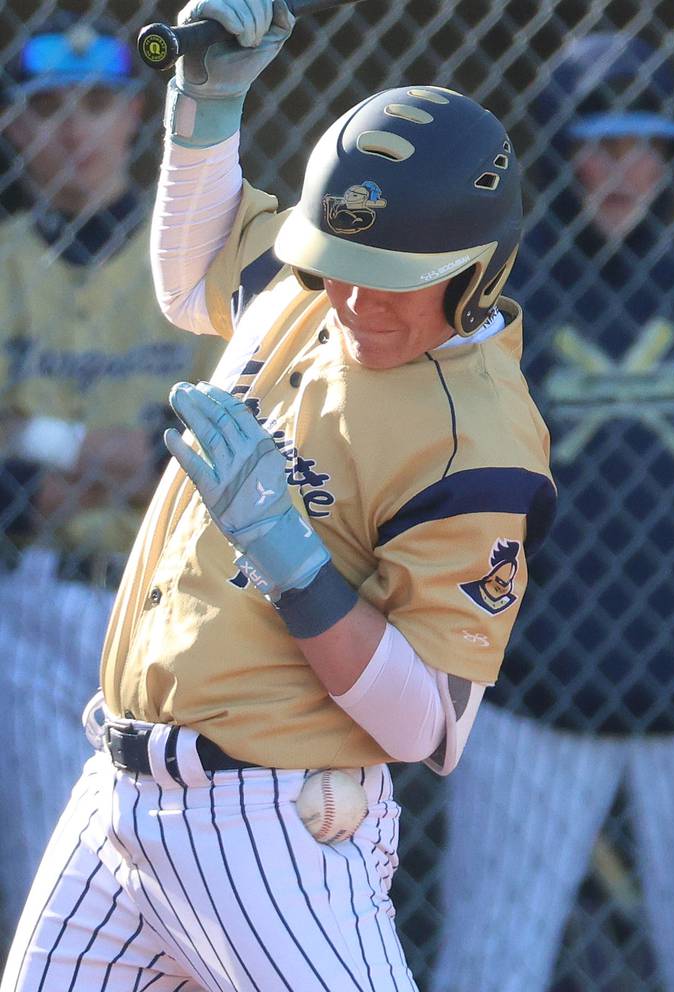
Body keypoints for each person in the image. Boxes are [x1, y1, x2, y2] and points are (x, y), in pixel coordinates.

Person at [0, 0, 556, 989]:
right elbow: (190, 281)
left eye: (388, 277)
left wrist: (287, 554)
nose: (353, 300)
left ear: (478, 268)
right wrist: (203, 113)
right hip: (113, 799)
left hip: (269, 825)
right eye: (340, 266)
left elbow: (422, 723)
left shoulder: (481, 439)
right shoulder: (314, 280)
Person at [432, 31, 674, 992]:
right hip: (533, 703)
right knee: (490, 966)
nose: (621, 170)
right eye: (597, 144)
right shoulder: (498, 309)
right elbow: (444, 478)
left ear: (673, 157)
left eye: (644, 144)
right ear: (559, 154)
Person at [0, 12, 222, 953]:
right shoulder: (6, 262)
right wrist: (130, 457)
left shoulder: (194, 260)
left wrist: (37, 440)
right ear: (14, 126)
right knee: (47, 886)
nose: (75, 131)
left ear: (137, 117)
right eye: (49, 107)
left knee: (198, 891)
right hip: (35, 606)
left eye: (97, 104)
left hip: (183, 603)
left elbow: (239, 437)